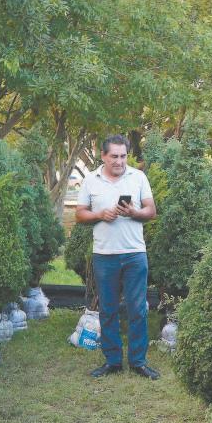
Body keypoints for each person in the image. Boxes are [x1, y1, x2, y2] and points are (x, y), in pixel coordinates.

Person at [75, 134, 159, 380]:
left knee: (137, 310)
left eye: (123, 156)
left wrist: (133, 212)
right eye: (114, 156)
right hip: (104, 255)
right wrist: (100, 215)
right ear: (103, 156)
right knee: (108, 310)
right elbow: (80, 214)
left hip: (134, 254)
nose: (119, 161)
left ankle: (138, 361)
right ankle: (112, 361)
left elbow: (151, 211)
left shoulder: (138, 177)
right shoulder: (91, 180)